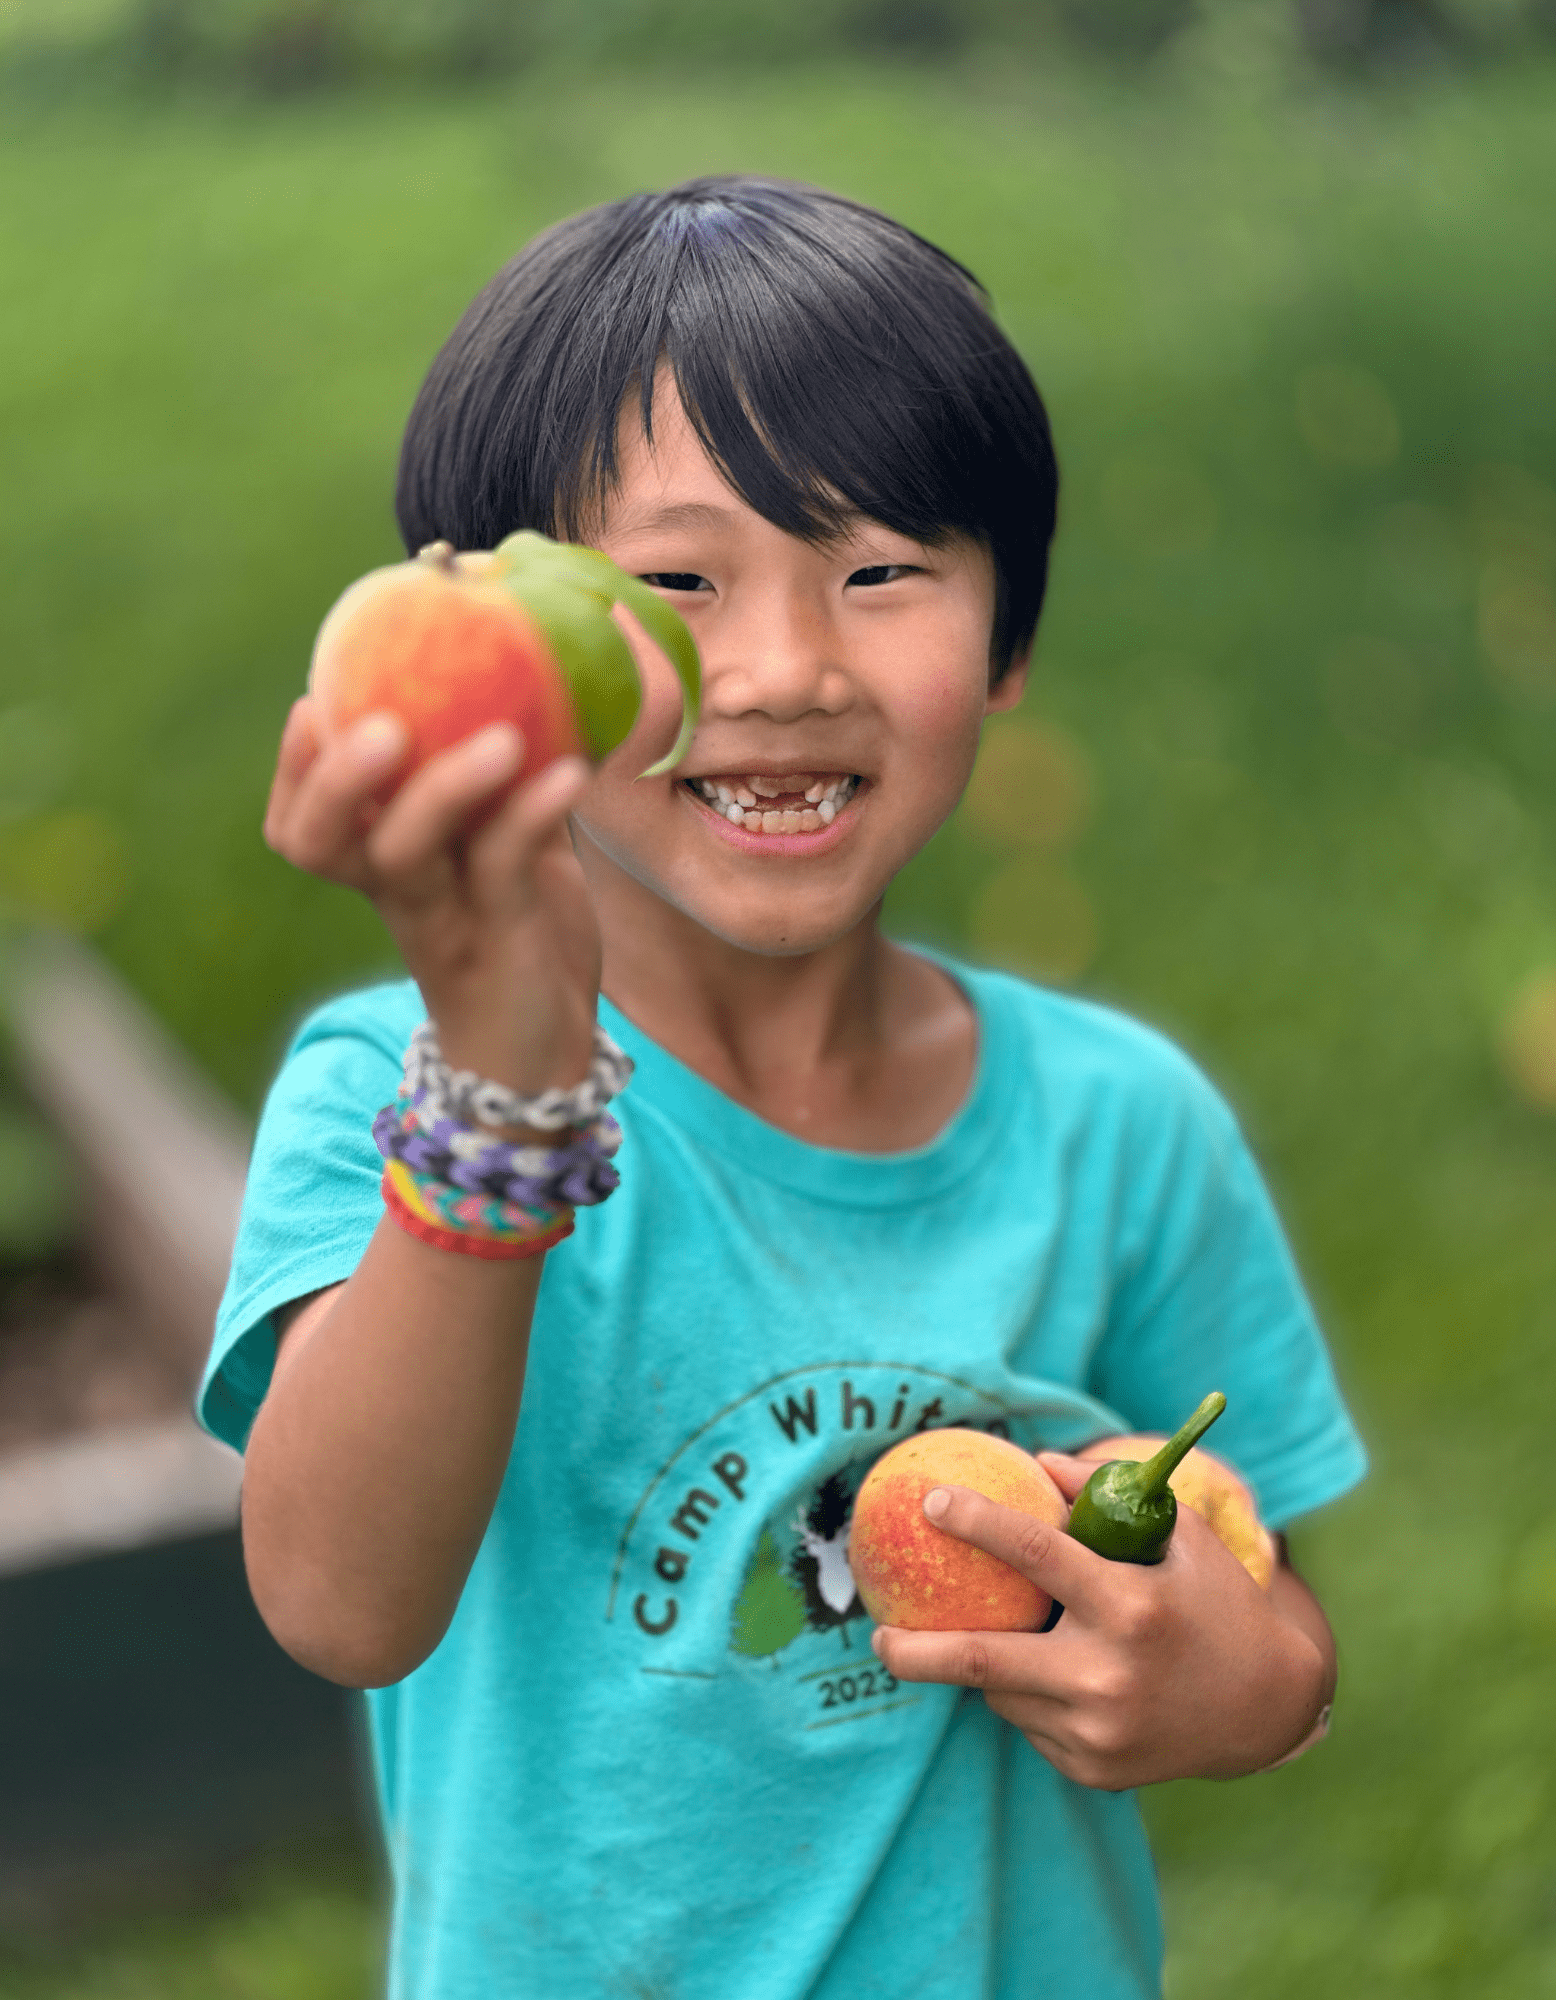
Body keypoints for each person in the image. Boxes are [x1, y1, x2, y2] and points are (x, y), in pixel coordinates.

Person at [202, 175, 1367, 2000]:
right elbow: (345, 1606)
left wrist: (1256, 1691)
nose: (782, 671)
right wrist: (508, 1085)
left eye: (883, 571)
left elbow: (1267, 1590)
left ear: (1009, 638)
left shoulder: (1117, 1122)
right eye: (673, 584)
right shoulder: (401, 1094)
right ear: (523, 661)